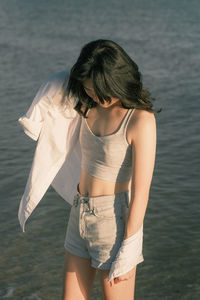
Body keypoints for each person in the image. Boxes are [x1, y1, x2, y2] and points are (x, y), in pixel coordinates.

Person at [58, 39, 161, 300]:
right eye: (89, 89)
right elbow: (54, 86)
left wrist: (129, 245)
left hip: (113, 223)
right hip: (79, 211)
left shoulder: (140, 120)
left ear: (116, 80)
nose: (95, 96)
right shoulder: (86, 105)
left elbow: (141, 194)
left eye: (100, 90)